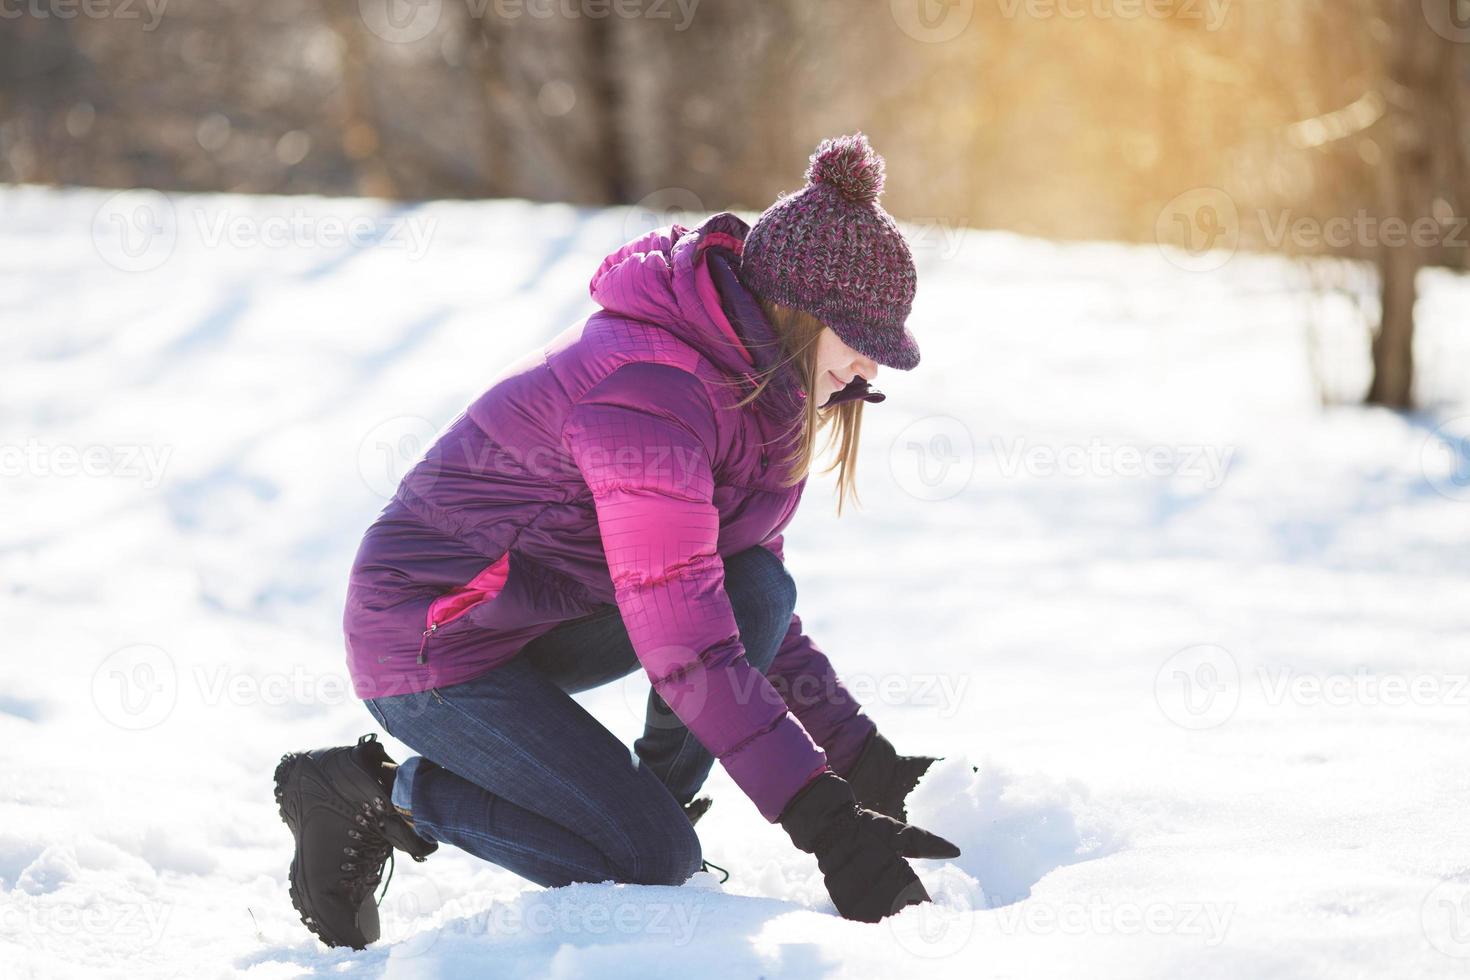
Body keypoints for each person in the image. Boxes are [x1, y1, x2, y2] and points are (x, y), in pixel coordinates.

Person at [273, 132, 960, 950]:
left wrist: (864, 762)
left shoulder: (760, 393)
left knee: (758, 590)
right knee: (649, 860)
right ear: (800, 312)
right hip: (431, 639)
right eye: (859, 340)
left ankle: (633, 813)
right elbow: (687, 639)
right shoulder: (650, 394)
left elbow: (743, 607)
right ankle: (381, 795)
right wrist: (827, 825)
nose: (870, 374)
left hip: (538, 617)